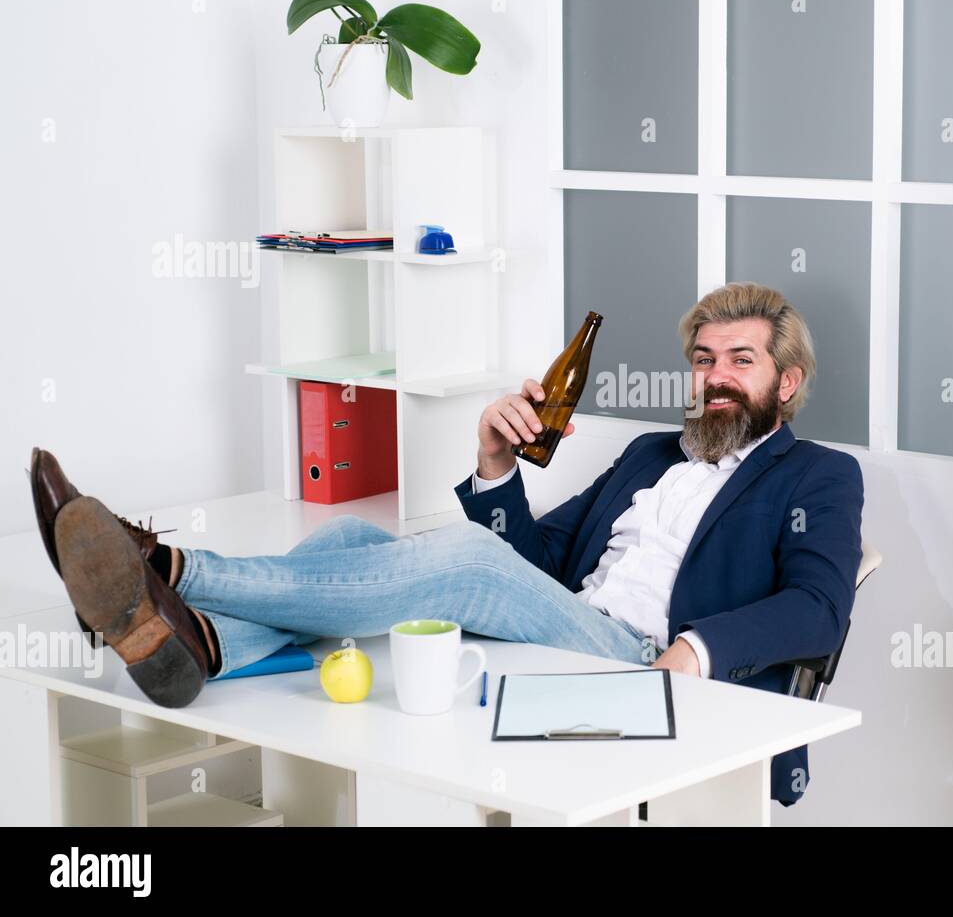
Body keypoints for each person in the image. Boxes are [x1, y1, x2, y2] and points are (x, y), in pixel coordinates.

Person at [31, 282, 863, 805]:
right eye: (703, 358)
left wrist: (692, 650)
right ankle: (199, 641)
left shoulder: (819, 476)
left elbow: (820, 610)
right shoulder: (650, 454)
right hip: (566, 630)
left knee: (459, 560)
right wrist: (496, 465)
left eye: (740, 361)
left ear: (784, 384)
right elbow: (532, 563)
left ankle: (171, 569)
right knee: (356, 533)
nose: (715, 376)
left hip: (639, 664)